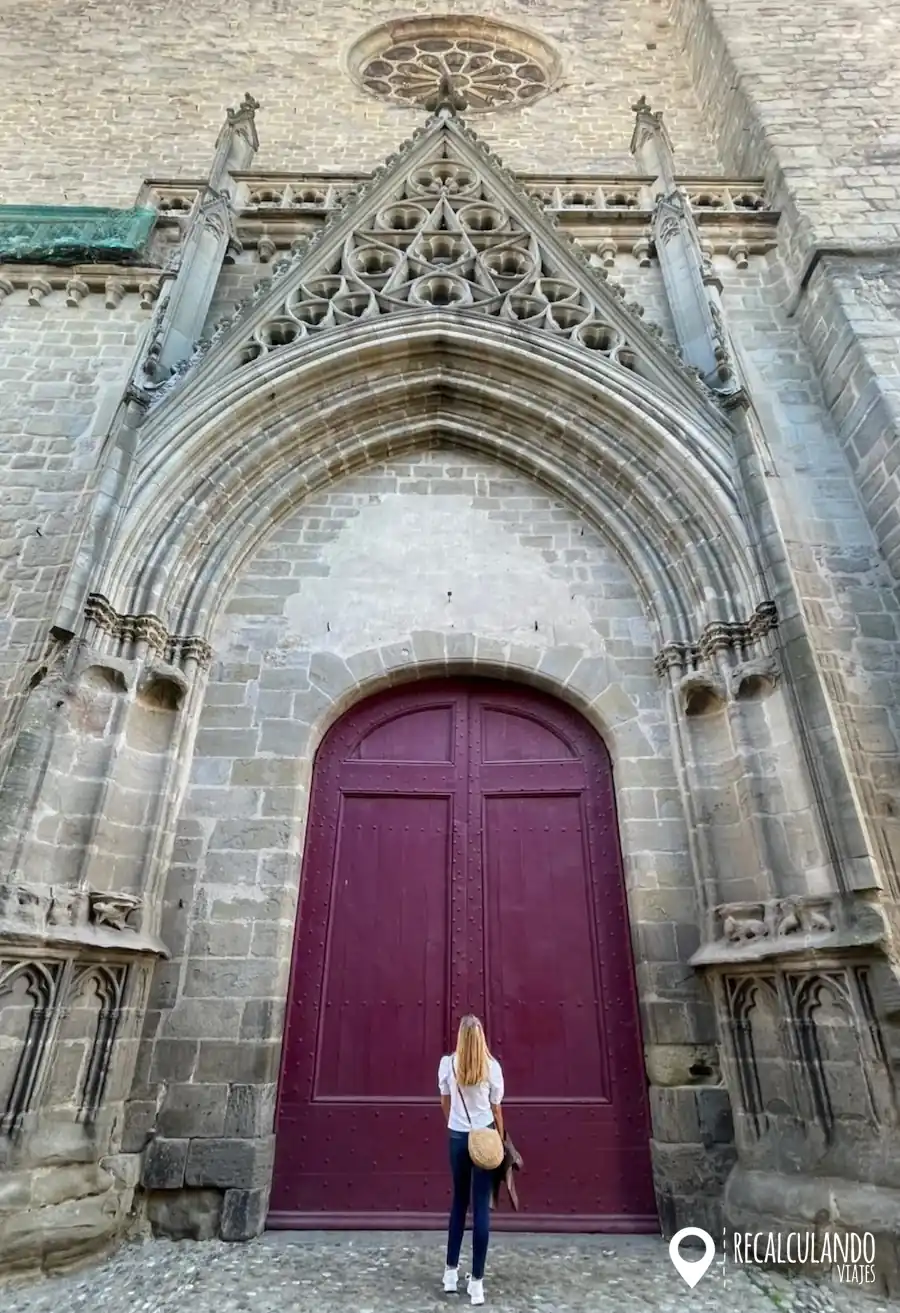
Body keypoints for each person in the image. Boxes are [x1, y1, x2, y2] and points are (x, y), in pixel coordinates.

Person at [438, 1015, 505, 1306]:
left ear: (460, 1038)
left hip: (457, 1137)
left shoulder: (448, 1065)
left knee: (458, 1203)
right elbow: (496, 1108)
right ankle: (476, 1283)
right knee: (481, 1209)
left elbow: (445, 1102)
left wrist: (455, 1126)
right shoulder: (492, 1068)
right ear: (481, 1038)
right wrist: (499, 1139)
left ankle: (450, 1273)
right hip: (485, 1137)